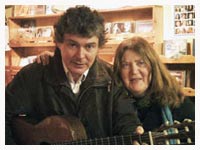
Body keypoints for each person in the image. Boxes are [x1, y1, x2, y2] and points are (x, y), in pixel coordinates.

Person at [6, 6, 143, 145]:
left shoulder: (113, 78)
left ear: (98, 47)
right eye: (73, 45)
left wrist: (133, 135)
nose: (80, 56)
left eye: (89, 46)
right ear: (59, 43)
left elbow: (126, 121)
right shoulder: (32, 75)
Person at [113, 36, 194, 132]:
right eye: (125, 65)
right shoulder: (111, 107)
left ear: (153, 67)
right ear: (119, 72)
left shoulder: (177, 102)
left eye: (141, 63)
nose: (134, 71)